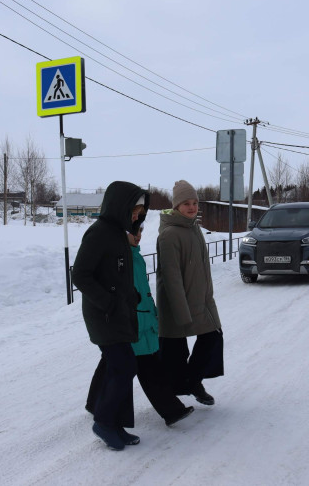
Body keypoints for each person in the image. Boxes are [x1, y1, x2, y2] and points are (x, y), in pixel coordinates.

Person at [86, 223, 195, 427]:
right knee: (148, 367)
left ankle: (94, 403)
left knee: (110, 363)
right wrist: (142, 317)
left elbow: (142, 290)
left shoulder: (135, 255)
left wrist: (152, 313)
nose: (138, 236)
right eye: (133, 231)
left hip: (140, 319)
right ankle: (171, 410)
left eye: (141, 231)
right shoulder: (122, 258)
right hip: (132, 322)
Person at [72, 181, 148, 451]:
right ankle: (104, 422)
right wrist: (109, 303)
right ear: (120, 206)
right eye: (134, 210)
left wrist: (130, 297)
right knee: (123, 367)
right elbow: (80, 273)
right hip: (104, 315)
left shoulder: (117, 233)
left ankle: (114, 423)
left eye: (140, 210)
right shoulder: (100, 233)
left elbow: (115, 274)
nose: (137, 215)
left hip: (117, 312)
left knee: (120, 367)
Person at [156, 180, 224, 406]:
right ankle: (173, 395)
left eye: (194, 202)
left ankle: (193, 382)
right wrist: (182, 313)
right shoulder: (169, 234)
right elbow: (171, 278)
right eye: (186, 203)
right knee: (174, 354)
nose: (192, 207)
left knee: (213, 337)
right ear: (176, 206)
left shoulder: (194, 228)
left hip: (201, 301)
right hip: (179, 304)